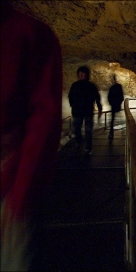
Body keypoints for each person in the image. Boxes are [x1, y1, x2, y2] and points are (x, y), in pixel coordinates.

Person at [1, 1, 63, 271]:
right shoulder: (30, 32)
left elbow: (43, 118)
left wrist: (21, 194)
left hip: (10, 189)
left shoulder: (28, 33)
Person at [68, 66, 102, 155]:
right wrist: (73, 105)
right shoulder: (75, 85)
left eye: (83, 73)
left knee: (88, 131)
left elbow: (97, 97)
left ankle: (87, 147)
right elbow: (70, 96)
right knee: (77, 129)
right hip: (78, 111)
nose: (81, 75)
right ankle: (79, 143)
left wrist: (99, 108)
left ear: (87, 74)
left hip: (87, 111)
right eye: (80, 73)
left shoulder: (90, 86)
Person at [107, 75, 124, 139]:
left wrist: (112, 103)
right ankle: (121, 131)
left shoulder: (112, 88)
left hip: (114, 105)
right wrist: (119, 103)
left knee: (112, 119)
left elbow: (109, 97)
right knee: (115, 119)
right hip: (116, 104)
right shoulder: (118, 87)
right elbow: (121, 96)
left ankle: (111, 133)